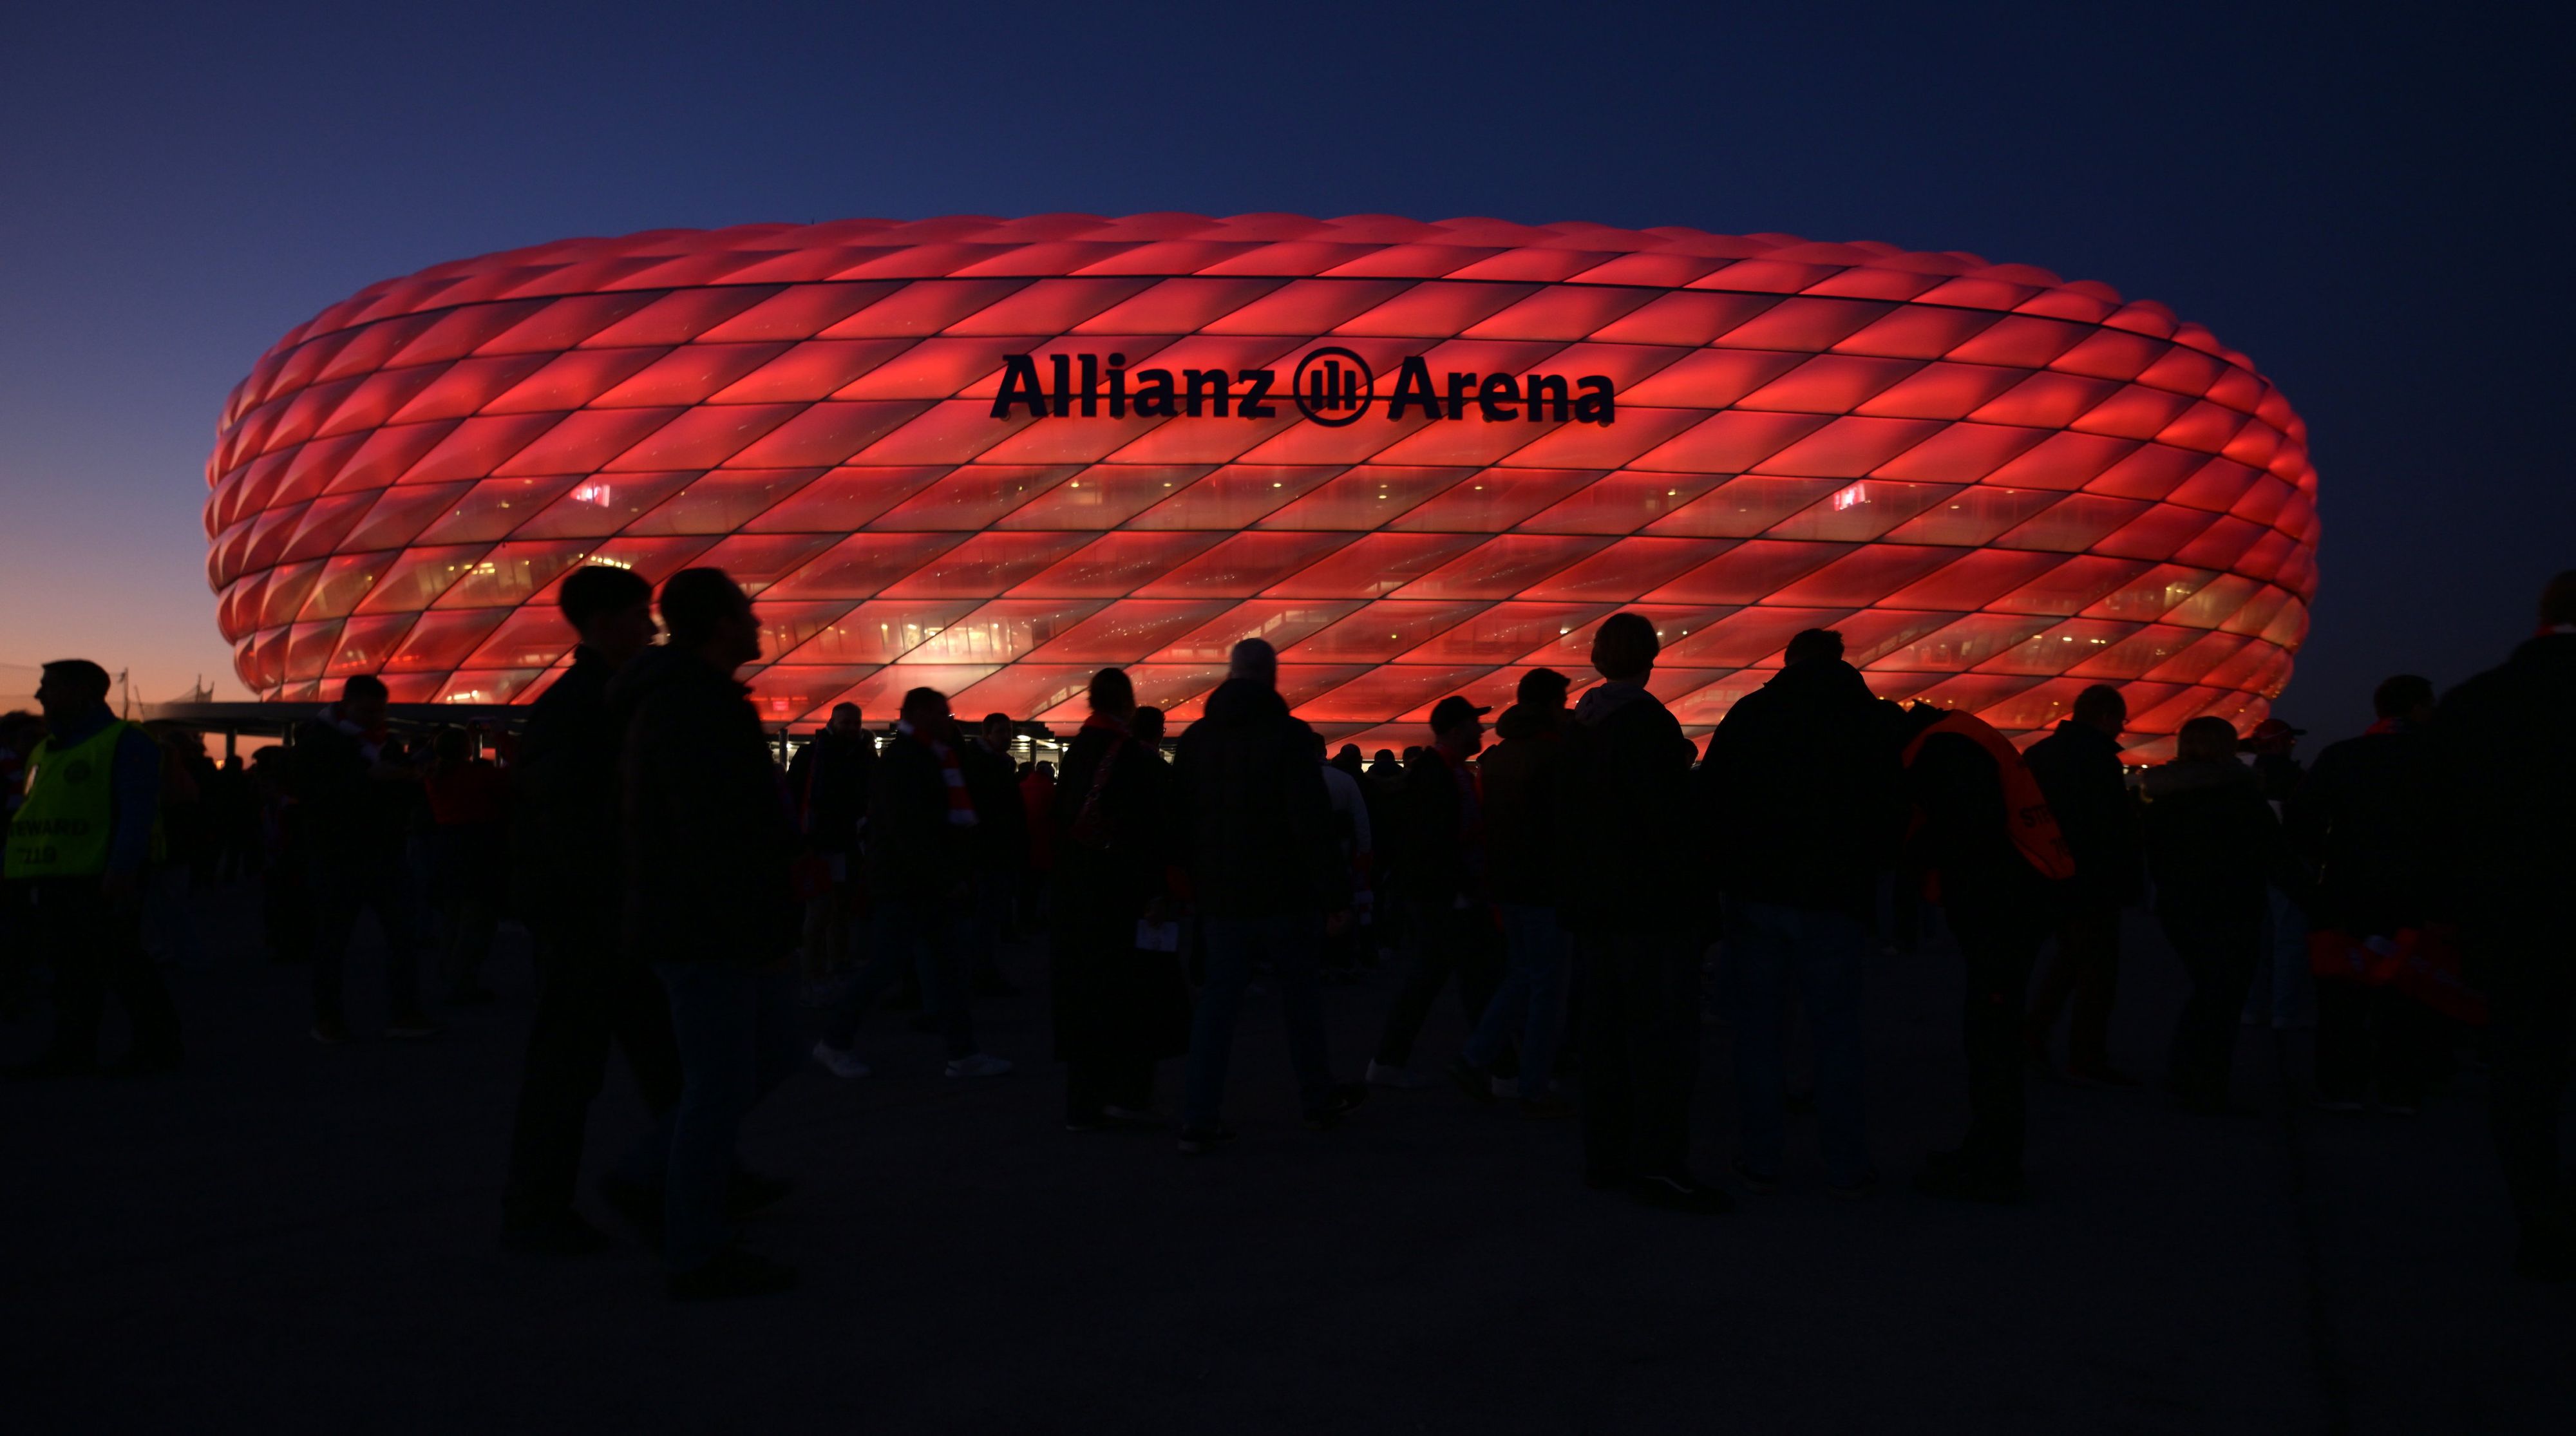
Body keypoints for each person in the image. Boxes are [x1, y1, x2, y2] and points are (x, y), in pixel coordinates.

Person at [612, 567, 804, 1298]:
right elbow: (711, 835)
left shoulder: (703, 699)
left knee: (771, 1054)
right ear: (723, 624)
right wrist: (757, 925)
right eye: (748, 612)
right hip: (705, 928)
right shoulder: (688, 706)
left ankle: (647, 1177)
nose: (759, 624)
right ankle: (694, 1247)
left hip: (711, 921)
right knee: (718, 1085)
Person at [500, 564, 690, 1254]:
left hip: (614, 916)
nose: (652, 628)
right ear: (607, 623)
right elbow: (573, 825)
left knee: (668, 1061)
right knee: (566, 1070)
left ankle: (706, 1174)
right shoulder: (581, 707)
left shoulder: (606, 696)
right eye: (643, 615)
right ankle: (534, 1212)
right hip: (588, 921)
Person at [1701, 629, 1905, 1195]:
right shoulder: (1867, 719)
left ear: (1788, 662)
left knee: (1760, 1030)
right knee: (1836, 1032)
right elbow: (1892, 806)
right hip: (1836, 898)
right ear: (1840, 660)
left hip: (1759, 893)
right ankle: (1847, 1161)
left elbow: (1715, 796)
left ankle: (1762, 1155)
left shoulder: (1753, 712)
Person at [2431, 571, 2576, 1281]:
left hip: (2514, 926)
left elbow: (2433, 823)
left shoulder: (2475, 704)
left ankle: (2540, 1220)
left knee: (2524, 1080)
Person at [1560, 614, 1730, 1212]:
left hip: (1595, 906)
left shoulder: (1578, 725)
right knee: (1660, 1038)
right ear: (1650, 659)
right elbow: (1670, 826)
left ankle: (1605, 1157)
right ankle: (1658, 1163)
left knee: (1603, 1036)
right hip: (1650, 909)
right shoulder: (1648, 725)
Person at [1169, 638, 1366, 1153]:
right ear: (1272, 678)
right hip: (1286, 894)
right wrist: (1336, 896)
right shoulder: (1291, 738)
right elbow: (1311, 824)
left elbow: (1179, 823)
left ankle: (1199, 1115)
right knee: (1301, 1001)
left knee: (1217, 1006)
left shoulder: (1196, 740)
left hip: (1223, 897)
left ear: (1230, 674)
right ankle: (1317, 1101)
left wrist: (1192, 883)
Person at [1900, 701, 2074, 1200]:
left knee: (1993, 1039)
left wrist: (1911, 855)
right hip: (2016, 900)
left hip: (2003, 909)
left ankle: (1995, 1165)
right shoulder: (1957, 734)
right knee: (1990, 1034)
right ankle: (1984, 1149)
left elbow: (1970, 825)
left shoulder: (1943, 748)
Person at [811, 686, 1012, 1080]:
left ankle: (961, 1051)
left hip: (913, 882)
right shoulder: (915, 760)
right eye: (941, 714)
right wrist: (946, 876)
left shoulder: (919, 755)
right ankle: (836, 1041)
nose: (947, 720)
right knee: (901, 965)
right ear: (920, 714)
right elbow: (912, 831)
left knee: (938, 967)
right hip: (910, 884)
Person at [2, 660, 181, 1075]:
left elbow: (137, 810)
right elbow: (33, 813)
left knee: (121, 964)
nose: (39, 695)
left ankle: (158, 1046)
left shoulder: (124, 742)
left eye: (49, 686)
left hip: (99, 874)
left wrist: (121, 870)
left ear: (81, 692)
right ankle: (73, 1049)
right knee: (71, 969)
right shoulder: (45, 749)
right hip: (55, 874)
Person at [1049, 668, 1191, 1131]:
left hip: (1078, 896)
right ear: (1129, 704)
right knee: (1136, 994)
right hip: (1126, 896)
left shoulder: (1076, 754)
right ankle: (1129, 1093)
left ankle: (1082, 1102)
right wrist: (1159, 891)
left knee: (1086, 996)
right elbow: (1153, 832)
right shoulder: (1132, 756)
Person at [2139, 716, 2295, 1115]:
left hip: (2179, 907)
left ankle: (2186, 1074)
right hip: (2233, 906)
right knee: (2222, 995)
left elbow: (2149, 851)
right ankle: (2205, 1081)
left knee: (2208, 989)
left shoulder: (2162, 795)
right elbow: (2272, 853)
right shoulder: (2241, 794)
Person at [1453, 667, 1578, 1118]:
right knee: (1546, 986)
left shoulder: (1500, 755)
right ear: (1549, 705)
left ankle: (1477, 1057)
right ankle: (1532, 1084)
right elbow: (1567, 824)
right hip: (1546, 883)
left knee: (1523, 975)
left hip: (1507, 882)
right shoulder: (1555, 755)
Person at [290, 674, 437, 1043]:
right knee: (333, 941)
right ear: (346, 704)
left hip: (385, 853)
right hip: (337, 856)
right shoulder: (318, 742)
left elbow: (400, 799)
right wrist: (370, 779)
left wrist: (409, 779)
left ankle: (405, 1013)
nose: (375, 718)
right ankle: (328, 1019)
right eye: (368, 711)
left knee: (402, 939)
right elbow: (312, 797)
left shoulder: (386, 741)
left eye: (380, 711)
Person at [1369, 695, 1498, 1088]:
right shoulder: (1442, 775)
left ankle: (1390, 1063)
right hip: (1445, 894)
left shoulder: (1442, 771)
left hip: (1439, 892)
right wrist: (1460, 888)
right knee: (1471, 977)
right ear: (1457, 730)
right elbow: (1437, 839)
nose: (1481, 730)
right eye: (1474, 724)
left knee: (1436, 977)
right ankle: (1494, 1065)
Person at [2022, 685, 2146, 1084]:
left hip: (2047, 873)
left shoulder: (2040, 753)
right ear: (2107, 718)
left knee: (2068, 962)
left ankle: (2033, 1037)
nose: (2120, 732)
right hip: (2092, 880)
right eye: (2121, 723)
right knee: (2097, 973)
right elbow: (2112, 827)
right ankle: (2086, 1057)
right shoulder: (2098, 759)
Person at [785, 703, 873, 981]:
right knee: (830, 909)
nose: (850, 728)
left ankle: (820, 967)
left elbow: (794, 796)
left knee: (827, 910)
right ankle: (827, 964)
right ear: (834, 723)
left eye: (854, 723)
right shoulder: (862, 757)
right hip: (834, 842)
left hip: (827, 841)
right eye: (846, 722)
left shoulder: (816, 754)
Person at [2239, 717, 2316, 1032]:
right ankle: (2284, 1011)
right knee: (2288, 940)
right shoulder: (2296, 778)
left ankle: (2253, 1007)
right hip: (2285, 866)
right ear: (2283, 743)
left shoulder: (2244, 777)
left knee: (2258, 941)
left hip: (2250, 867)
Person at [424, 726, 509, 1003]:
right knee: (477, 920)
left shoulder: (434, 776)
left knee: (454, 917)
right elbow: (513, 782)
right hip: (479, 848)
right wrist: (502, 737)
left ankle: (448, 973)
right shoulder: (479, 775)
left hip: (447, 846)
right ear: (465, 749)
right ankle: (462, 982)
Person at [963, 712, 1027, 996]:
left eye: (1009, 731)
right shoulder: (989, 765)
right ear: (988, 734)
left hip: (990, 851)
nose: (1007, 737)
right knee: (987, 915)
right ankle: (982, 971)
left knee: (986, 915)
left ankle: (981, 970)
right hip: (992, 851)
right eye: (1002, 732)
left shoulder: (982, 762)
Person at [1315, 731, 1374, 983]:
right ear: (1325, 752)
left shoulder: (1294, 780)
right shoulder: (1344, 780)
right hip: (1342, 852)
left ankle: (1317, 961)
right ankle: (1343, 959)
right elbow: (1361, 818)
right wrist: (1364, 851)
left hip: (1306, 856)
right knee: (1342, 905)